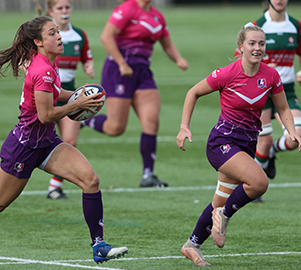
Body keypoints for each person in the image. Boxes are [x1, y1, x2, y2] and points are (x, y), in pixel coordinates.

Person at [0, 16, 128, 264]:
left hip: (48, 143)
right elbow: (46, 115)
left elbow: (53, 93)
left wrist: (77, 95)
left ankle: (99, 245)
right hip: (23, 148)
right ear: (39, 42)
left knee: (91, 180)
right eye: (52, 33)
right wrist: (77, 103)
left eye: (58, 32)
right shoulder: (42, 70)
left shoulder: (49, 63)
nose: (59, 36)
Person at [176, 23, 301, 267]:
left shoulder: (271, 75)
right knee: (259, 182)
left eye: (261, 44)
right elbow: (193, 92)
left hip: (246, 144)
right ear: (240, 47)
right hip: (222, 143)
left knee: (219, 201)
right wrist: (184, 126)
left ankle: (192, 244)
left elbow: (283, 108)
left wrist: (292, 132)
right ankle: (224, 215)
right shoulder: (226, 73)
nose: (257, 48)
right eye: (252, 44)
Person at [81, 0, 188, 188]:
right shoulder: (128, 8)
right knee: (115, 128)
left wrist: (178, 59)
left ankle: (148, 174)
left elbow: (167, 43)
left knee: (151, 121)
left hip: (143, 72)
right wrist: (122, 63)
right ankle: (84, 120)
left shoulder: (157, 16)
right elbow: (106, 37)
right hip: (118, 70)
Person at [236, 0, 301, 203]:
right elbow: (240, 56)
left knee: (295, 138)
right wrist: (263, 64)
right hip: (262, 89)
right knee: (262, 143)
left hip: (286, 90)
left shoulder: (296, 25)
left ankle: (273, 151)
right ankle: (255, 188)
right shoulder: (256, 26)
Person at [35, 0, 95, 199]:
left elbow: (87, 57)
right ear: (51, 11)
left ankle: (54, 187)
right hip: (47, 92)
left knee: (69, 141)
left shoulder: (78, 35)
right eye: (60, 8)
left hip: (68, 93)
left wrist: (88, 66)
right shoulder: (43, 37)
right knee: (41, 142)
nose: (64, 11)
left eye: (67, 7)